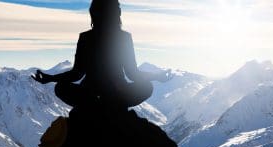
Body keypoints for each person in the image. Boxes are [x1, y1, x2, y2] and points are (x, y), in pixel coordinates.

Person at [32, 0, 172, 109]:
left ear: (94, 13)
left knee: (61, 88)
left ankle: (94, 106)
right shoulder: (124, 38)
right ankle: (112, 106)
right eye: (117, 7)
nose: (119, 10)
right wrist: (156, 77)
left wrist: (51, 78)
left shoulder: (86, 37)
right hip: (118, 93)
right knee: (147, 87)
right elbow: (132, 74)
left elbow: (77, 74)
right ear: (114, 13)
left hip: (89, 93)